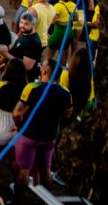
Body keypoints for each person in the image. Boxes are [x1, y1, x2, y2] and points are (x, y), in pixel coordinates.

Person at [12, 59, 73, 201]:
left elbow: (16, 113)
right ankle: (47, 200)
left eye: (41, 67)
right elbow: (67, 114)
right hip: (49, 136)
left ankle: (18, 200)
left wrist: (19, 125)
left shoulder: (32, 87)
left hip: (29, 135)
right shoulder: (65, 92)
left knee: (24, 170)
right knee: (45, 169)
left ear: (45, 71)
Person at [0, 58, 28, 167]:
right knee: (14, 161)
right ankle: (18, 184)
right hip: (17, 128)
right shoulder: (27, 88)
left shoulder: (1, 86)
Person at [0, 11, 44, 81]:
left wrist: (6, 54)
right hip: (12, 74)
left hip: (21, 79)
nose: (22, 26)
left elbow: (27, 66)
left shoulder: (33, 42)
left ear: (33, 25)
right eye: (21, 22)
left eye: (26, 24)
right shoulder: (25, 33)